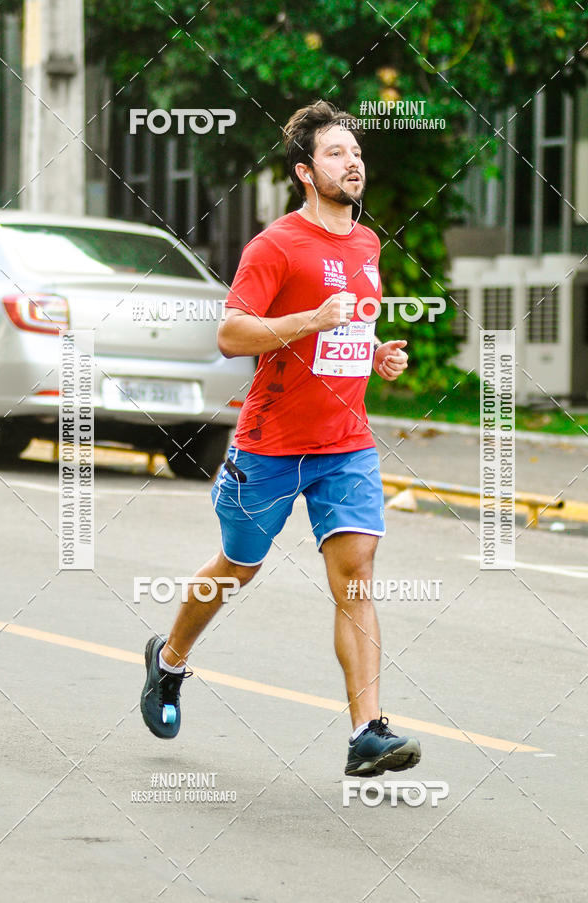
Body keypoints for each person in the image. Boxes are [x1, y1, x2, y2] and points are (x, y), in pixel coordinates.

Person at [141, 100, 421, 777]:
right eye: (334, 153)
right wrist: (308, 319)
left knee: (355, 574)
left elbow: (338, 335)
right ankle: (169, 658)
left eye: (355, 150)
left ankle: (367, 730)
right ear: (304, 170)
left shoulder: (366, 243)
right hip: (270, 444)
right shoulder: (275, 246)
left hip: (344, 444)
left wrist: (374, 352)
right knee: (237, 567)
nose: (351, 160)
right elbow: (232, 333)